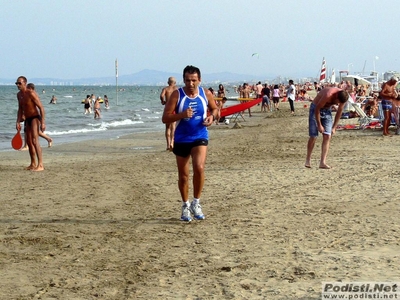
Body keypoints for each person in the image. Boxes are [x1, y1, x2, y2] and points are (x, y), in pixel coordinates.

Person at [162, 65, 218, 222]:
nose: (191, 84)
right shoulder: (176, 95)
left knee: (199, 168)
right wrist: (181, 115)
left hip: (199, 135)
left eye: (194, 80)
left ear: (199, 80)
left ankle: (196, 202)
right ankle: (185, 205)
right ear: (183, 80)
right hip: (181, 138)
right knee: (184, 176)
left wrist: (211, 117)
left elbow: (215, 109)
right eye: (187, 80)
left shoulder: (205, 94)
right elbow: (165, 118)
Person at [305, 87, 349, 169]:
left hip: (327, 111)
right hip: (316, 108)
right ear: (336, 96)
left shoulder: (344, 97)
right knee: (313, 136)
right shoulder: (328, 95)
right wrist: (319, 125)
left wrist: (334, 127)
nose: (337, 103)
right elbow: (317, 109)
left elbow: (339, 111)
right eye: (337, 102)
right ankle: (308, 159)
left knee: (327, 136)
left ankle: (323, 162)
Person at [15, 77, 46, 171]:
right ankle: (33, 163)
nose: (18, 85)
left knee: (35, 140)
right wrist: (17, 121)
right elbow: (20, 109)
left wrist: (43, 122)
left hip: (35, 118)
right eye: (16, 83)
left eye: (19, 83)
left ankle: (40, 165)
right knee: (28, 141)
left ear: (25, 83)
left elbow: (41, 107)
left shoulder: (31, 93)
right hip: (27, 119)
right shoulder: (19, 95)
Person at [160, 77, 178, 151]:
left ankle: (168, 145)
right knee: (173, 127)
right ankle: (172, 143)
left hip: (167, 108)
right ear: (175, 83)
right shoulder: (177, 89)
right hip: (174, 108)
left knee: (167, 127)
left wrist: (163, 101)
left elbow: (161, 95)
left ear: (168, 82)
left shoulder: (166, 89)